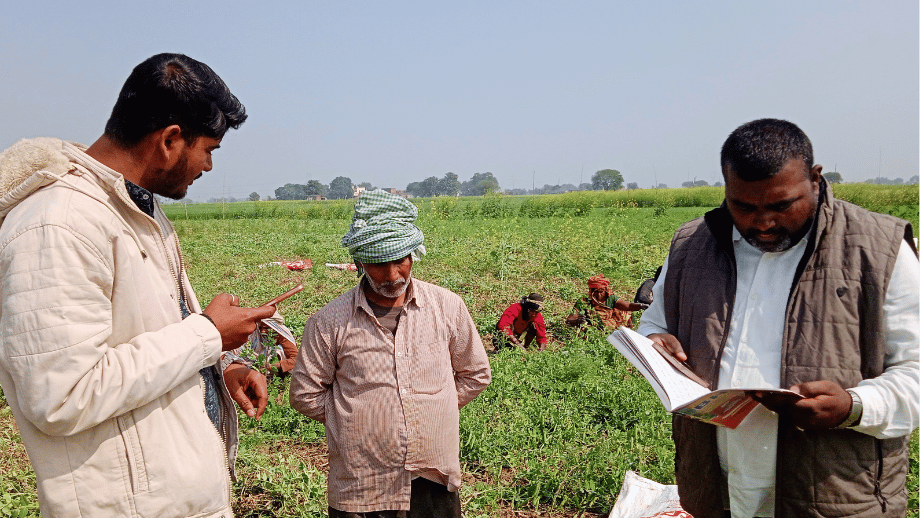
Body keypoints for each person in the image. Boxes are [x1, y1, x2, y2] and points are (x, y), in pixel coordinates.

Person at [0, 53, 277, 517]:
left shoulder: (134, 210)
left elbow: (141, 343)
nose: (207, 166)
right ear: (170, 140)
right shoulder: (58, 226)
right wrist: (207, 334)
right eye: (208, 149)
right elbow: (61, 397)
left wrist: (216, 369)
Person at [637, 119, 918, 517]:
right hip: (718, 488)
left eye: (781, 205)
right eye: (744, 206)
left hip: (833, 493)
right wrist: (656, 342)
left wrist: (854, 406)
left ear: (815, 180)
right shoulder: (691, 245)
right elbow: (654, 323)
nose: (762, 223)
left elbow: (916, 369)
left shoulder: (879, 249)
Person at [290, 189, 492, 518]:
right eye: (379, 264)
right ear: (358, 263)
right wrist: (355, 419)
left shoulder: (446, 307)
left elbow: (476, 373)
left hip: (431, 476)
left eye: (400, 260)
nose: (393, 274)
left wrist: (432, 407)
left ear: (413, 255)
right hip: (360, 481)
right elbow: (304, 394)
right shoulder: (328, 321)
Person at [566, 274, 647, 329]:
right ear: (591, 292)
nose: (598, 295)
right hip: (594, 331)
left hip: (611, 329)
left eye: (601, 292)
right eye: (595, 292)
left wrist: (640, 306)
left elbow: (627, 306)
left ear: (606, 291)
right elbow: (568, 320)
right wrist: (577, 321)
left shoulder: (610, 299)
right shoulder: (584, 302)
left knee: (625, 313)